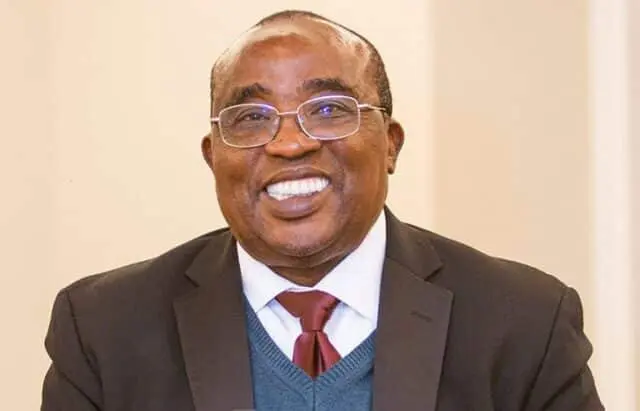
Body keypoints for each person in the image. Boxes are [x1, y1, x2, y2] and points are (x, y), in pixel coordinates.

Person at [41, 9, 604, 411]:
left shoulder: (525, 324)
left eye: (329, 109)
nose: (290, 144)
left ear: (391, 144)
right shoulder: (103, 330)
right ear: (213, 158)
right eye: (252, 117)